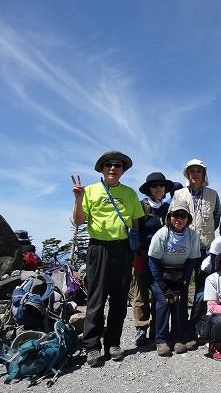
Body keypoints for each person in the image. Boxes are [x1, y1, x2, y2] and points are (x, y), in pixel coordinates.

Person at [72, 150, 144, 367]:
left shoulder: (129, 193)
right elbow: (79, 221)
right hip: (99, 248)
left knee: (120, 299)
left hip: (123, 249)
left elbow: (136, 222)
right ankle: (92, 346)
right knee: (96, 298)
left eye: (118, 165)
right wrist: (78, 199)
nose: (113, 168)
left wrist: (135, 252)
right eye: (109, 165)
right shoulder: (89, 191)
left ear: (123, 170)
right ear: (102, 169)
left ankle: (113, 343)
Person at [173, 159, 221, 341]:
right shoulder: (179, 194)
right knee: (182, 287)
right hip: (183, 248)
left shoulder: (213, 194)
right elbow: (173, 218)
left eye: (199, 171)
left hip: (205, 249)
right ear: (187, 174)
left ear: (204, 174)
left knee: (202, 289)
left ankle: (195, 328)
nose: (195, 174)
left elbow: (217, 218)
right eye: (191, 171)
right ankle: (180, 329)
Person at [148, 200, 200, 356]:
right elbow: (153, 262)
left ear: (188, 218)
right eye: (175, 215)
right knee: (164, 301)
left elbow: (191, 262)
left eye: (183, 215)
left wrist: (182, 284)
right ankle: (161, 340)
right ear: (169, 217)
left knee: (179, 301)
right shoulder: (161, 234)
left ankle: (178, 338)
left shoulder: (192, 236)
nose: (179, 219)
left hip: (180, 276)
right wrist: (164, 287)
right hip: (160, 275)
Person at [131, 172, 176, 347]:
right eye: (154, 185)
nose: (158, 188)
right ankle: (141, 327)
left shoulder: (169, 208)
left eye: (161, 185)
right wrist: (135, 255)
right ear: (148, 188)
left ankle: (157, 328)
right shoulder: (141, 206)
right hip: (143, 254)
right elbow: (134, 230)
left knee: (160, 291)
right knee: (141, 291)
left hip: (162, 256)